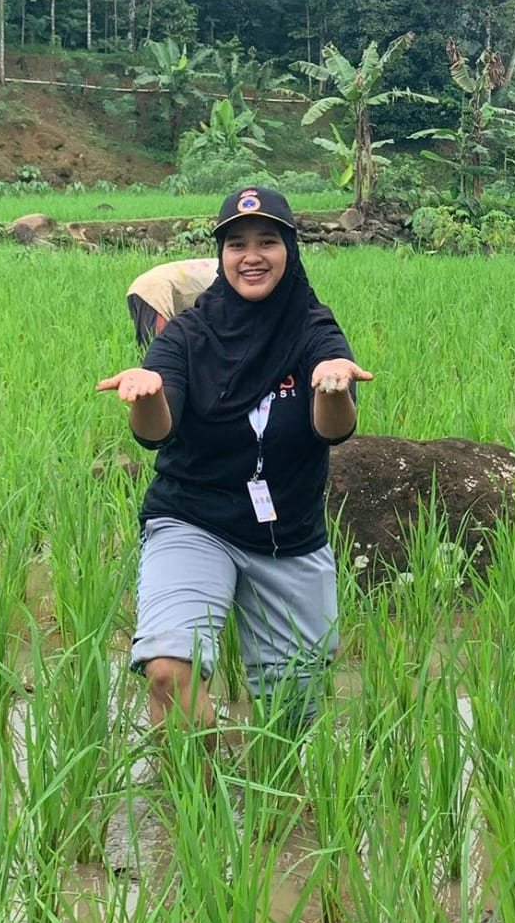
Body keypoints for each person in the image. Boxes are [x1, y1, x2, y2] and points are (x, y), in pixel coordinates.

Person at [98, 186, 370, 743]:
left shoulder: (312, 326)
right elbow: (157, 433)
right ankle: (196, 817)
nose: (252, 255)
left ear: (290, 250)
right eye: (237, 243)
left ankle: (267, 825)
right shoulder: (189, 335)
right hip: (193, 519)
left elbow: (333, 429)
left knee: (289, 725)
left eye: (267, 241)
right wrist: (147, 395)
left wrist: (332, 384)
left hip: (288, 535)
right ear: (219, 256)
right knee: (170, 673)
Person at [127, 257, 221, 350]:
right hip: (156, 289)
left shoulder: (223, 265)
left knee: (147, 347)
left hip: (140, 286)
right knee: (158, 348)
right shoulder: (226, 275)